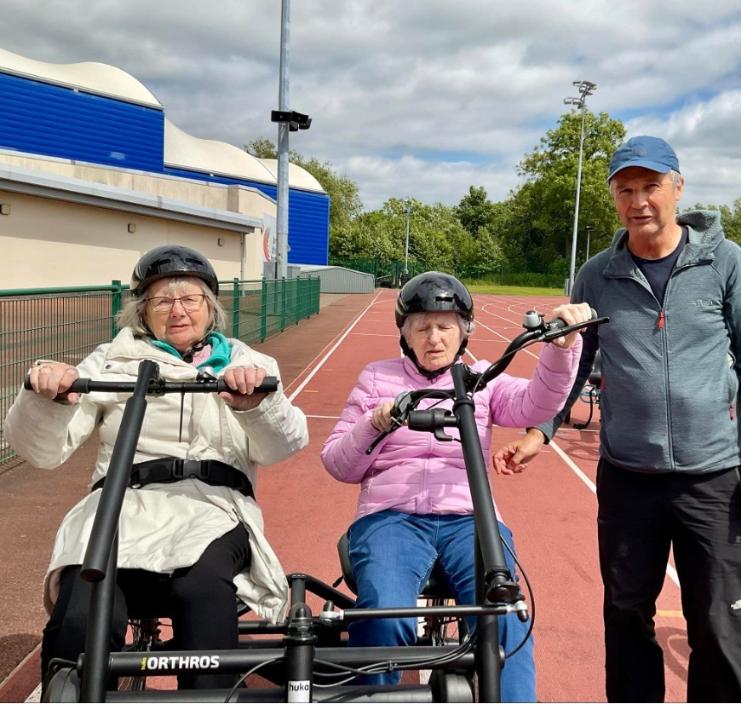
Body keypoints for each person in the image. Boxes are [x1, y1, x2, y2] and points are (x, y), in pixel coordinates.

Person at [493, 136, 741, 702]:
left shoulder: (725, 261)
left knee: (718, 625)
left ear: (678, 187)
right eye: (626, 190)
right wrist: (541, 431)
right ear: (614, 198)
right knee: (625, 617)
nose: (639, 200)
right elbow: (578, 361)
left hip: (712, 478)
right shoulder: (597, 276)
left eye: (650, 186)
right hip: (627, 481)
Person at [3, 244, 309, 690]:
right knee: (84, 605)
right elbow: (46, 451)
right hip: (119, 506)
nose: (178, 311)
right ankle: (66, 688)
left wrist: (256, 406)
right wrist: (46, 398)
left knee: (201, 592)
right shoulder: (111, 360)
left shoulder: (248, 364)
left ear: (211, 308)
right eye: (163, 300)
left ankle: (211, 696)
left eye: (191, 299)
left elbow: (285, 445)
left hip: (213, 510)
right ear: (141, 310)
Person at [320, 271, 592, 701]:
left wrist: (562, 351)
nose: (434, 338)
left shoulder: (480, 378)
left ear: (464, 331)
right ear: (404, 333)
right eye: (422, 326)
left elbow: (538, 403)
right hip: (392, 518)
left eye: (445, 326)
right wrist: (374, 424)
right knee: (384, 616)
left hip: (468, 517)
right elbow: (337, 462)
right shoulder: (376, 379)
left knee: (505, 617)